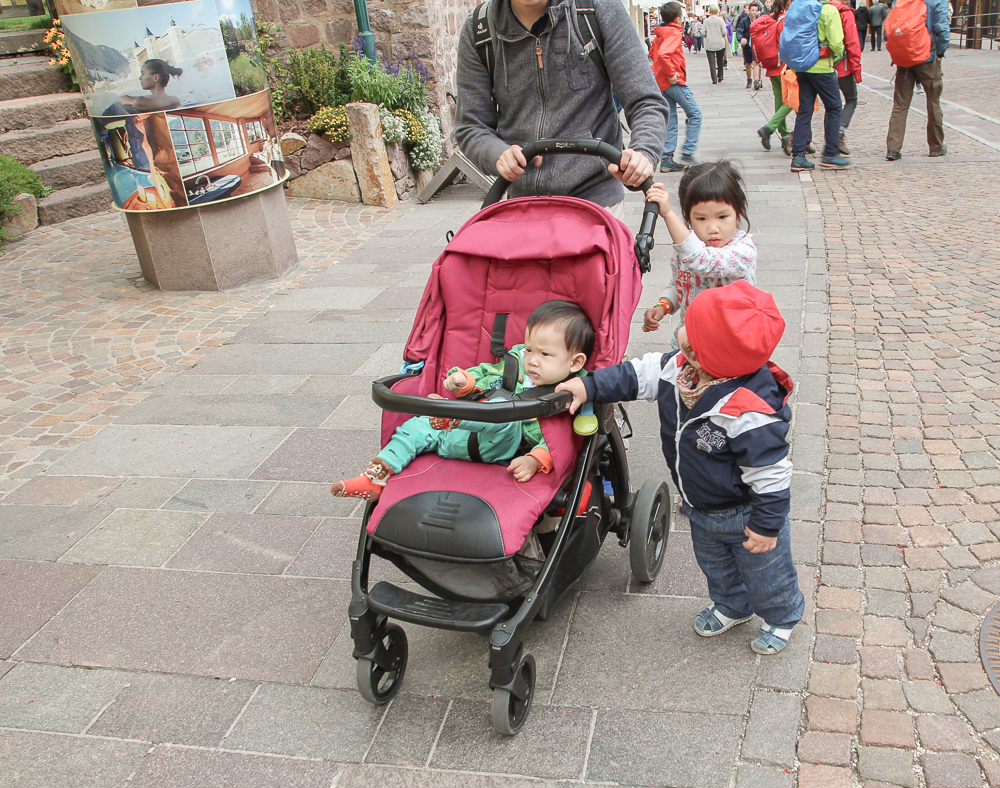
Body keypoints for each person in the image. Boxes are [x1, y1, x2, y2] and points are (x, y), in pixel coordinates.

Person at [557, 281, 805, 655]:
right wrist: (588, 386)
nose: (682, 341)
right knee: (715, 565)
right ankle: (732, 605)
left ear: (717, 360)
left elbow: (770, 475)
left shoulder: (749, 412)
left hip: (745, 511)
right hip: (700, 503)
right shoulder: (682, 368)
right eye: (687, 329)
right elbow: (635, 376)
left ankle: (782, 615)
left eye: (692, 344)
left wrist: (767, 525)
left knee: (766, 571)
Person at [331, 301, 593, 501]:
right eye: (530, 349)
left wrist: (535, 460)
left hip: (498, 444)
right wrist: (464, 381)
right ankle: (375, 478)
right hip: (453, 435)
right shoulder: (513, 366)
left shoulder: (567, 398)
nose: (533, 359)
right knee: (416, 427)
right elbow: (486, 374)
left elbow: (560, 444)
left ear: (575, 362)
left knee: (503, 415)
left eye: (545, 354)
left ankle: (455, 414)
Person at [454, 0, 668, 211]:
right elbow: (471, 125)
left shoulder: (596, 8)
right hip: (523, 207)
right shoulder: (480, 28)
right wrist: (498, 153)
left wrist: (642, 153)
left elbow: (645, 100)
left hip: (596, 205)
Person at [641, 162, 755, 339]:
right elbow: (680, 282)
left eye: (722, 217)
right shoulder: (687, 247)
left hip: (730, 344)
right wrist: (663, 306)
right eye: (701, 218)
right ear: (689, 218)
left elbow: (701, 260)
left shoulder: (742, 251)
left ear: (738, 213)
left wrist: (669, 214)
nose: (713, 228)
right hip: (691, 341)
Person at [884, 0, 950, 160]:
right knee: (933, 101)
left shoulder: (900, 1)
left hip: (905, 60)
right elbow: (942, 28)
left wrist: (900, 51)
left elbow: (889, 30)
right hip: (928, 57)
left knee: (900, 104)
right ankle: (936, 146)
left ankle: (893, 149)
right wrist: (940, 52)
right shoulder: (937, 1)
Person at [790, 0, 849, 171]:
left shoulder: (800, 9)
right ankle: (830, 154)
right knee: (834, 107)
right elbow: (837, 43)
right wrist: (837, 55)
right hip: (822, 67)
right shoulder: (829, 11)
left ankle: (798, 156)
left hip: (802, 66)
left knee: (805, 110)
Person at [651, 2, 702, 172]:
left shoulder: (660, 32)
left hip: (661, 82)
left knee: (671, 120)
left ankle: (666, 159)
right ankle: (687, 152)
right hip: (673, 82)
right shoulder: (673, 32)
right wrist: (672, 72)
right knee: (695, 114)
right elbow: (662, 54)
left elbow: (653, 53)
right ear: (679, 18)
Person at [755, 0, 792, 153]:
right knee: (794, 100)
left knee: (780, 100)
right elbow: (788, 44)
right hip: (784, 66)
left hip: (773, 65)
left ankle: (784, 135)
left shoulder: (770, 18)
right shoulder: (785, 20)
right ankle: (769, 128)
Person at [828, 0, 862, 155]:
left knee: (831, 105)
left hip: (824, 65)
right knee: (851, 99)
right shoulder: (845, 12)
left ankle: (829, 146)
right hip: (843, 67)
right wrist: (857, 70)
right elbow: (853, 43)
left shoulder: (822, 9)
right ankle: (839, 133)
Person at [118, 59, 182, 112]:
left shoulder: (173, 100)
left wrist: (132, 101)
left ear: (156, 78)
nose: (140, 78)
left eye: (143, 74)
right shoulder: (149, 98)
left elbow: (138, 103)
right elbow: (123, 99)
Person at [737, 2, 764, 89]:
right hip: (747, 45)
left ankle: (757, 80)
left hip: (757, 45)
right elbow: (739, 31)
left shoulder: (760, 20)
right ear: (749, 11)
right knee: (748, 63)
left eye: (756, 10)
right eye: (752, 10)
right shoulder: (744, 21)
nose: (754, 12)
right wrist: (741, 38)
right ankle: (749, 79)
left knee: (755, 62)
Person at [704, 5, 729, 83]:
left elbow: (703, 32)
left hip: (710, 43)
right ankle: (720, 76)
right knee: (720, 60)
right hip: (720, 43)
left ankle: (714, 79)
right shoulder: (721, 20)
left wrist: (707, 35)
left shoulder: (706, 21)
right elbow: (724, 32)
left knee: (712, 62)